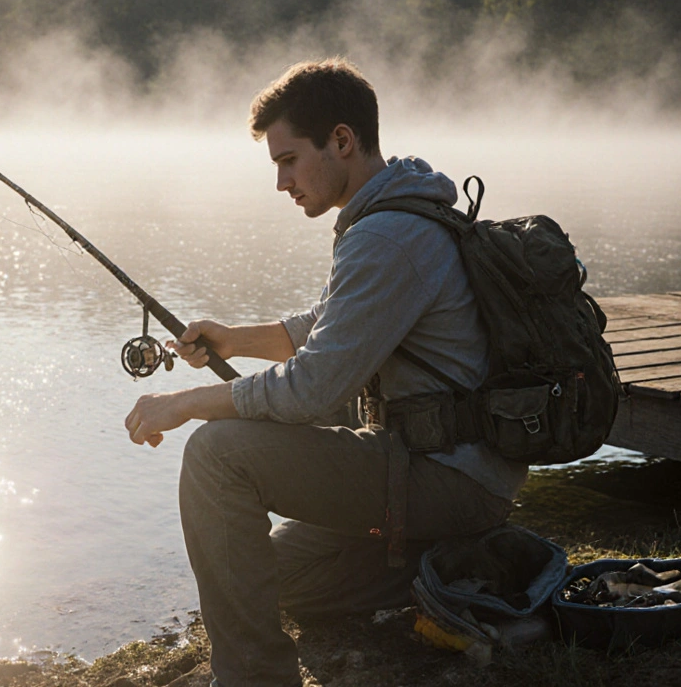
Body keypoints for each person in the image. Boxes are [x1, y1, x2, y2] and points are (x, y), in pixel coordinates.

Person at [123, 57, 529, 687]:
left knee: (216, 456)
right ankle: (439, 564)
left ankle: (253, 679)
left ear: (342, 140)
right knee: (266, 576)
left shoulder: (387, 235)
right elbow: (325, 327)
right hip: (443, 472)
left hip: (447, 477)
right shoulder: (398, 213)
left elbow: (313, 390)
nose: (281, 182)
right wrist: (233, 338)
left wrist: (184, 403)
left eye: (288, 160)